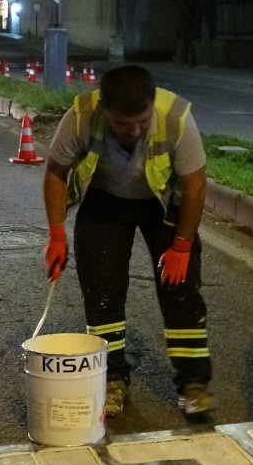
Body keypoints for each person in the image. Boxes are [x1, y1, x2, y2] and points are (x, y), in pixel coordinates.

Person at [41, 64, 214, 418]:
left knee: (180, 289)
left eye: (142, 121)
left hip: (163, 203)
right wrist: (56, 234)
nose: (134, 131)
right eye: (123, 124)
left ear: (152, 106)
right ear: (105, 109)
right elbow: (56, 172)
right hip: (105, 199)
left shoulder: (177, 119)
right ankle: (112, 377)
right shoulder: (81, 117)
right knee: (102, 289)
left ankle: (193, 383)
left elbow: (195, 187)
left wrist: (181, 247)